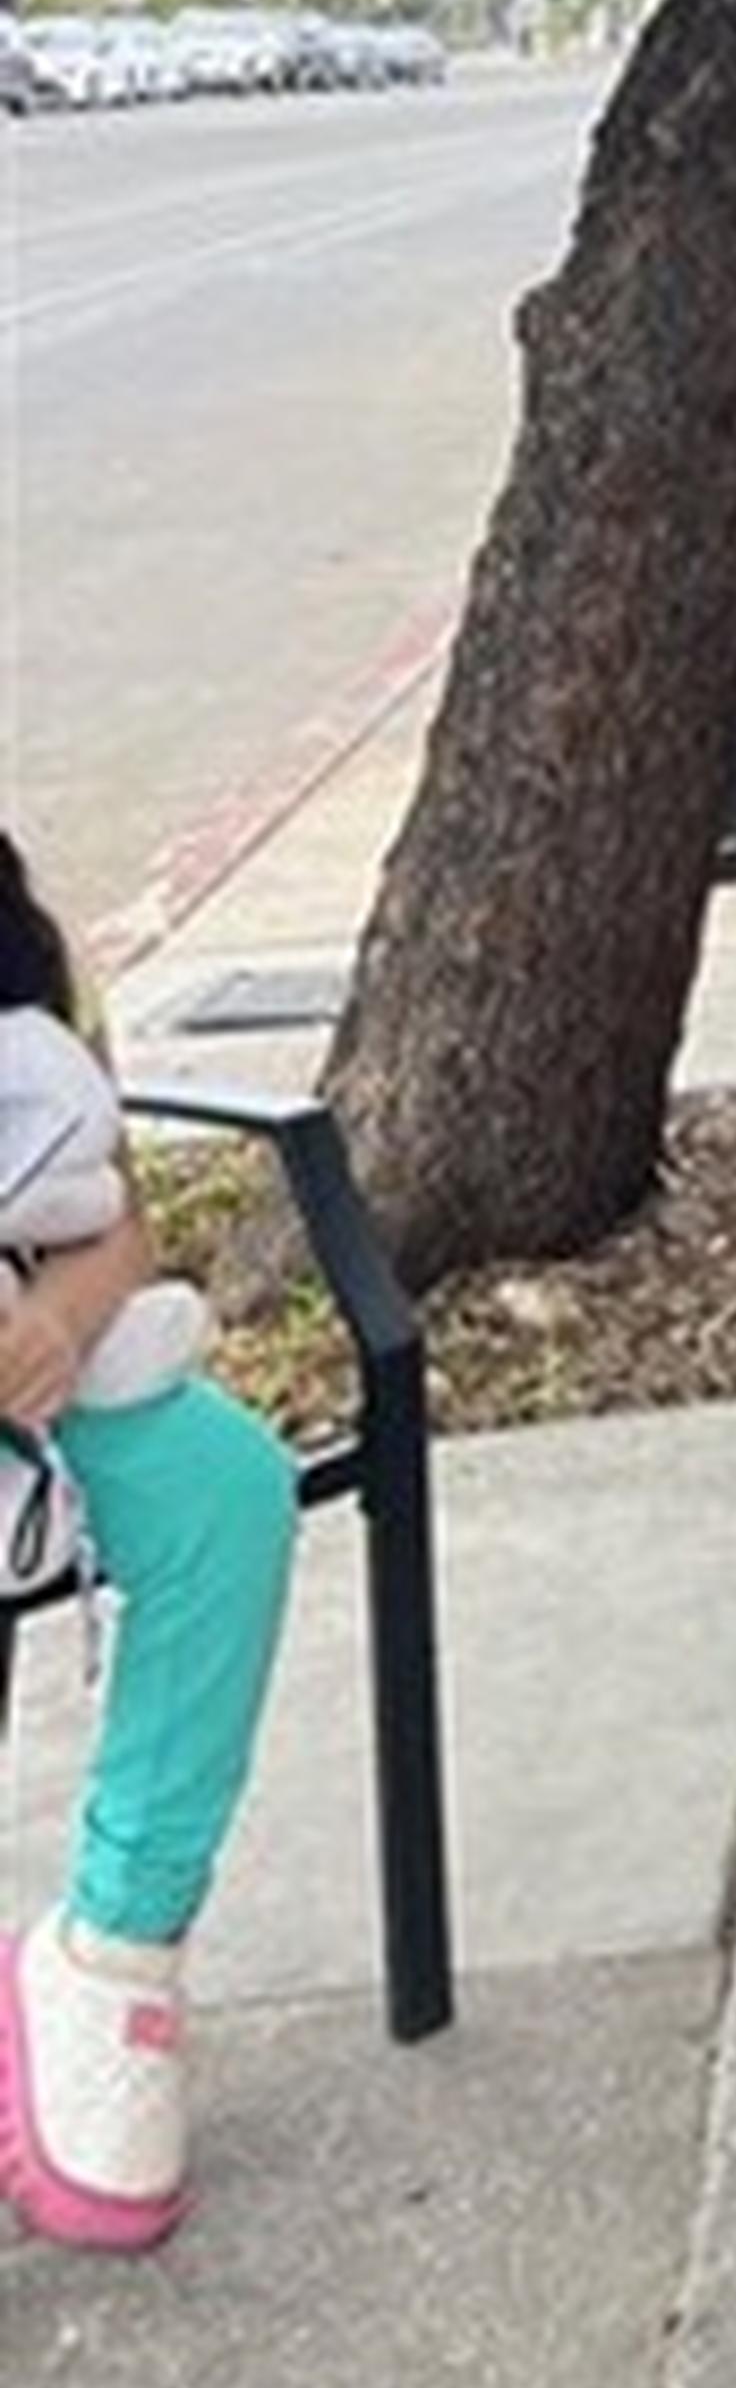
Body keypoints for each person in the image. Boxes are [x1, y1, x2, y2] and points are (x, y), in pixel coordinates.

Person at [0, 831, 296, 2250]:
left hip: (29, 1397)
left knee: (223, 1492)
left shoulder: (21, 945)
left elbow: (111, 1225)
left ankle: (115, 1942)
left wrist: (53, 1322)